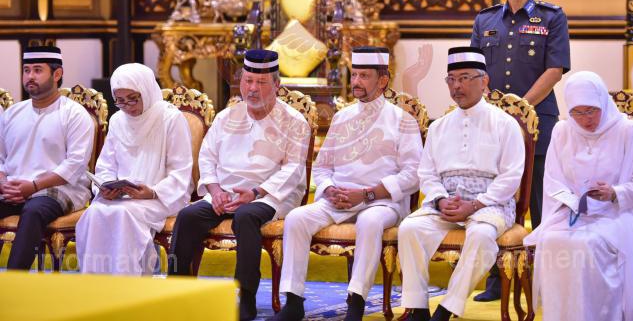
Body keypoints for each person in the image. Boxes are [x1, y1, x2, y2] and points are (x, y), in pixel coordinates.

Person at [272, 47, 423, 321]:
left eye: (364, 76)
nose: (356, 82)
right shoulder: (342, 117)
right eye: (354, 75)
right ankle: (293, 302)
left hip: (381, 202)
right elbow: (322, 166)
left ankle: (356, 301)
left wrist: (366, 194)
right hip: (338, 199)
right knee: (296, 218)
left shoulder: (403, 120)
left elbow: (413, 174)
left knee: (370, 222)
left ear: (383, 80)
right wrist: (330, 189)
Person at [169, 49, 311, 321]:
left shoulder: (294, 122)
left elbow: (293, 169)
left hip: (270, 195)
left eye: (261, 82)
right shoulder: (226, 117)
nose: (252, 89)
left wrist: (256, 192)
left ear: (277, 85)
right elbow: (207, 157)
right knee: (187, 216)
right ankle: (176, 290)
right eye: (248, 81)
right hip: (225, 194)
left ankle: (245, 296)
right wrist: (215, 191)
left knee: (246, 216)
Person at [470, 0, 570, 301]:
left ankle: (543, 283)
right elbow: (474, 69)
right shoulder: (485, 20)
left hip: (537, 123)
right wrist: (495, 108)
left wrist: (519, 108)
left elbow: (555, 69)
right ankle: (497, 281)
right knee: (496, 200)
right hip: (493, 125)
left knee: (542, 205)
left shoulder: (551, 17)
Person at [398, 47, 524, 321]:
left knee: (481, 236)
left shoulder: (505, 124)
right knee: (409, 228)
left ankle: (446, 308)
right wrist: (440, 199)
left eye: (465, 78)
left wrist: (475, 204)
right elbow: (427, 173)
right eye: (451, 80)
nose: (457, 86)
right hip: (446, 203)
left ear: (484, 80)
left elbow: (511, 176)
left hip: (490, 204)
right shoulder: (439, 126)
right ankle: (418, 308)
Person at [523, 71, 633, 321]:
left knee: (588, 244)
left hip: (617, 213)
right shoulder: (562, 131)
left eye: (591, 110)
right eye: (577, 112)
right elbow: (553, 179)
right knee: (552, 240)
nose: (585, 119)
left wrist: (615, 193)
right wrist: (572, 200)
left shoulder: (629, 131)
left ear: (603, 102)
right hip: (574, 214)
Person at [75, 63, 193, 274]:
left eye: (132, 99)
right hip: (122, 196)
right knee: (94, 213)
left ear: (146, 90)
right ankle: (98, 285)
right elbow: (106, 165)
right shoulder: (117, 120)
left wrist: (153, 192)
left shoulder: (170, 119)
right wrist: (105, 187)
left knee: (124, 214)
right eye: (120, 100)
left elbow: (180, 170)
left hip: (161, 197)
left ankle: (127, 283)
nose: (127, 106)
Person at [0, 46, 94, 269]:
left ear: (57, 74)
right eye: (26, 70)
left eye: (37, 70)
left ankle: (14, 280)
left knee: (34, 211)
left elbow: (75, 165)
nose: (30, 76)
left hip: (59, 190)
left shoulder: (74, 114)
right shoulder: (12, 113)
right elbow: (1, 157)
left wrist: (33, 186)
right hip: (14, 188)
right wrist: (3, 183)